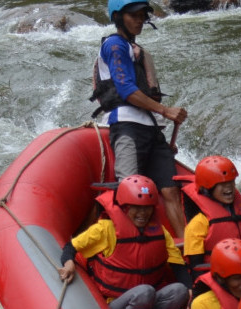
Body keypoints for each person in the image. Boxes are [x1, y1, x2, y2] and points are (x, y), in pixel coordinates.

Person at [91, 0, 187, 238]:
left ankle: (189, 251)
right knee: (131, 192)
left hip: (151, 129)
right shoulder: (114, 45)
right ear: (119, 17)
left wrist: (163, 115)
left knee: (170, 191)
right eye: (133, 15)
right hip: (125, 127)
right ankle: (126, 249)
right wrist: (165, 111)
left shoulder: (136, 50)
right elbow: (126, 90)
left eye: (142, 15)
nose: (139, 20)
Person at [58, 175, 191, 309]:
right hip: (116, 303)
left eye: (147, 207)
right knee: (144, 292)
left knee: (180, 290)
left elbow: (177, 264)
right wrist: (68, 263)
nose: (143, 213)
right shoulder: (106, 229)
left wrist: (191, 289)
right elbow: (71, 247)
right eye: (136, 207)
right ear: (125, 207)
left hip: (149, 299)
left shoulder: (160, 232)